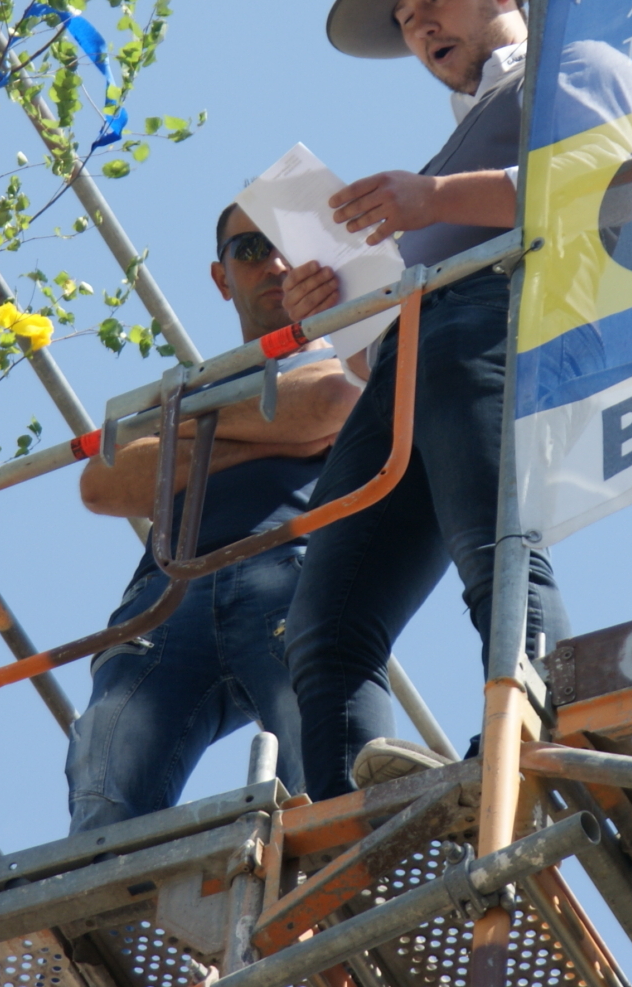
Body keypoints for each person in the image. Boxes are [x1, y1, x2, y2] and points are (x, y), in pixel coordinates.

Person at [281, 0, 632, 799]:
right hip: (411, 367)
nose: (420, 28)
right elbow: (374, 357)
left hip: (508, 324)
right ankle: (352, 826)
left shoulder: (579, 64)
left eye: (434, 1)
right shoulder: (449, 149)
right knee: (323, 626)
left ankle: (532, 735)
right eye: (406, 20)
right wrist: (337, 311)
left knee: (496, 549)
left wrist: (434, 199)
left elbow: (612, 187)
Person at [64, 205, 364, 831]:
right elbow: (101, 483)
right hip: (166, 596)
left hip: (288, 570)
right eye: (250, 248)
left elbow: (329, 403)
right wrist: (276, 431)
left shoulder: (351, 358)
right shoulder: (188, 388)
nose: (273, 263)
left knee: (327, 792)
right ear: (221, 277)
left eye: (285, 243)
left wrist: (181, 432)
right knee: (103, 813)